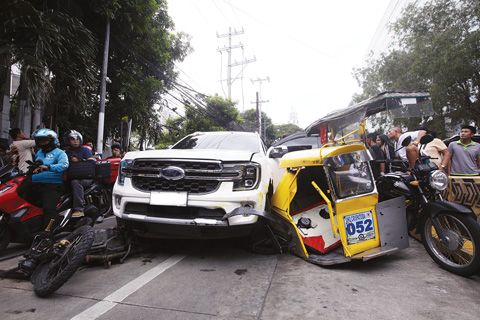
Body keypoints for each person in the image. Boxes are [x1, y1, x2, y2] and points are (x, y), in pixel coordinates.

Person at [18, 128, 69, 273]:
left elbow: (65, 165)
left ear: (52, 140)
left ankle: (48, 232)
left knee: (48, 208)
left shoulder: (60, 153)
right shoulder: (39, 153)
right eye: (39, 141)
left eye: (44, 140)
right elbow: (36, 164)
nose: (42, 143)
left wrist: (49, 166)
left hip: (52, 185)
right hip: (35, 182)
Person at [65, 130, 96, 218]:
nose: (75, 141)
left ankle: (79, 209)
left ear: (80, 140)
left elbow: (93, 161)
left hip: (85, 177)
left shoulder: (85, 150)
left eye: (77, 139)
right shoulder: (66, 152)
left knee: (75, 182)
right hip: (71, 176)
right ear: (69, 141)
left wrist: (80, 160)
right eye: (72, 139)